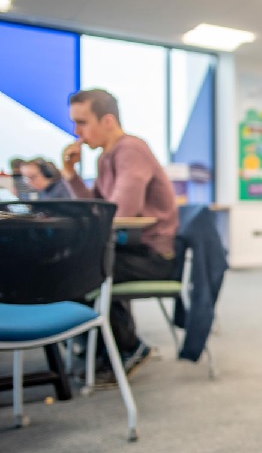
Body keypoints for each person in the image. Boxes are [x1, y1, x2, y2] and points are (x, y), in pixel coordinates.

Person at [61, 88, 179, 382]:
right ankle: (100, 350)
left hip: (154, 256)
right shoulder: (106, 159)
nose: (77, 131)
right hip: (129, 250)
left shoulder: (130, 150)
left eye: (82, 122)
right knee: (78, 266)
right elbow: (96, 208)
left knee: (80, 270)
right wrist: (70, 175)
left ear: (108, 121)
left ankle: (128, 348)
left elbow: (120, 212)